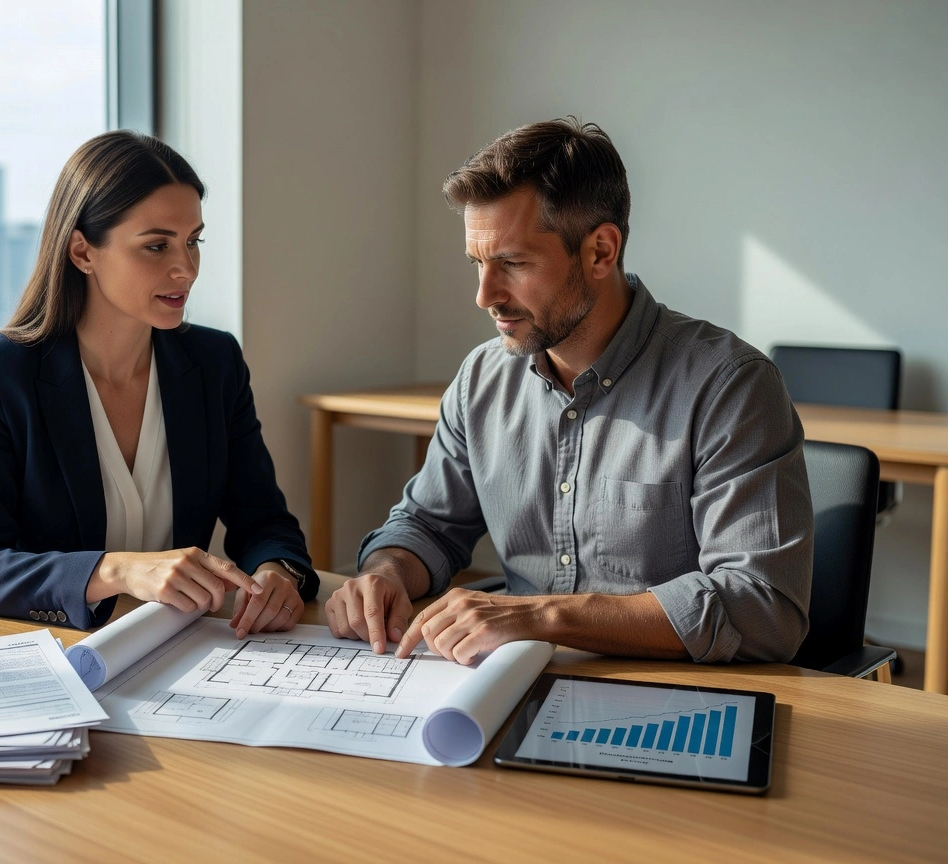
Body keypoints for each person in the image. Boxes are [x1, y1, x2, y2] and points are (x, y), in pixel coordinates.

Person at [326, 118, 812, 665]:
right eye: (477, 265)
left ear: (601, 251)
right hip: (511, 680)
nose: (484, 295)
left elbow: (763, 607)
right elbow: (427, 525)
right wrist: (386, 571)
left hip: (669, 702)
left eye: (512, 263)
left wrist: (542, 616)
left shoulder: (729, 385)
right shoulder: (482, 379)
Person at [0, 131, 318, 636]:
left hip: (163, 647)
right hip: (30, 651)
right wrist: (118, 570)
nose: (186, 268)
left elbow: (265, 521)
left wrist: (277, 573)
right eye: (156, 246)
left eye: (193, 241)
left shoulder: (213, 361)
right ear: (82, 251)